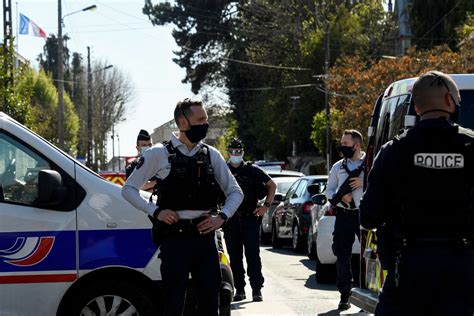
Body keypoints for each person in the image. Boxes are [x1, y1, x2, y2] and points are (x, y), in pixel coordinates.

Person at [360, 71, 474, 316]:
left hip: (408, 269)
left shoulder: (393, 151)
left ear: (417, 106)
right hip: (463, 269)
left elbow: (368, 216)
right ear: (448, 100)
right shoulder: (471, 147)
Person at [121, 99, 243, 316]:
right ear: (183, 122)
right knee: (173, 303)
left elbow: (235, 192)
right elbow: (128, 189)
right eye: (201, 119)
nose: (206, 123)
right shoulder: (158, 153)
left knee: (209, 303)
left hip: (205, 239)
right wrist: (156, 211)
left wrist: (221, 217)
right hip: (174, 241)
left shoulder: (210, 155)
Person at [223, 138, 276, 302]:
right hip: (231, 220)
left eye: (238, 151)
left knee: (253, 256)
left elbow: (272, 185)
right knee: (235, 257)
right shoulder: (223, 170)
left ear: (243, 152)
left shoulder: (252, 170)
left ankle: (256, 290)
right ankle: (239, 289)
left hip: (250, 219)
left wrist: (266, 206)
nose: (235, 154)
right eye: (233, 151)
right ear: (228, 152)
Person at [325, 129, 365, 310]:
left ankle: (367, 291)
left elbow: (383, 184)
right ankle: (344, 294)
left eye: (346, 144)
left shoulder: (370, 164)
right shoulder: (338, 167)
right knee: (342, 254)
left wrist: (364, 183)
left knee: (370, 254)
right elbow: (329, 190)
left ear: (357, 145)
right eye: (342, 143)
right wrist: (341, 197)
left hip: (364, 215)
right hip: (344, 215)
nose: (342, 147)